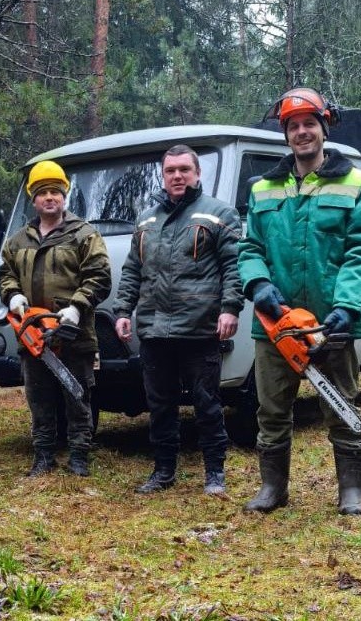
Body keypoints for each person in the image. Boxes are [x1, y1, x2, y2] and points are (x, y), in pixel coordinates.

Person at [238, 87, 361, 515]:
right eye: (294, 126)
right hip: (275, 323)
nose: (302, 132)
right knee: (271, 408)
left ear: (324, 128)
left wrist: (348, 306)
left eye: (309, 124)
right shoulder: (263, 188)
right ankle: (273, 487)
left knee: (340, 404)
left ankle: (352, 490)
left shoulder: (359, 183)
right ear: (285, 134)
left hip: (330, 322)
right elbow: (250, 248)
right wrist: (258, 285)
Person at [113, 145, 244, 495]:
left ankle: (214, 473)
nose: (177, 176)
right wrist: (123, 311)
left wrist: (230, 308)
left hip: (199, 328)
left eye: (184, 169)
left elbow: (235, 267)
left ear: (197, 173)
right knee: (159, 405)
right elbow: (132, 271)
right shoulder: (146, 219)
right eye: (170, 170)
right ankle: (163, 471)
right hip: (154, 329)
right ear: (163, 174)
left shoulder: (219, 215)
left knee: (207, 403)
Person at [0, 160, 111, 477]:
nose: (50, 198)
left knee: (77, 395)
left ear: (64, 196)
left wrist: (76, 306)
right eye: (43, 193)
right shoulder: (18, 240)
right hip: (32, 335)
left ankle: (79, 456)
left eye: (55, 192)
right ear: (34, 199)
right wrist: (13, 294)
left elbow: (100, 277)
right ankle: (44, 455)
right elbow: (5, 275)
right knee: (39, 399)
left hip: (73, 334)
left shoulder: (84, 235)